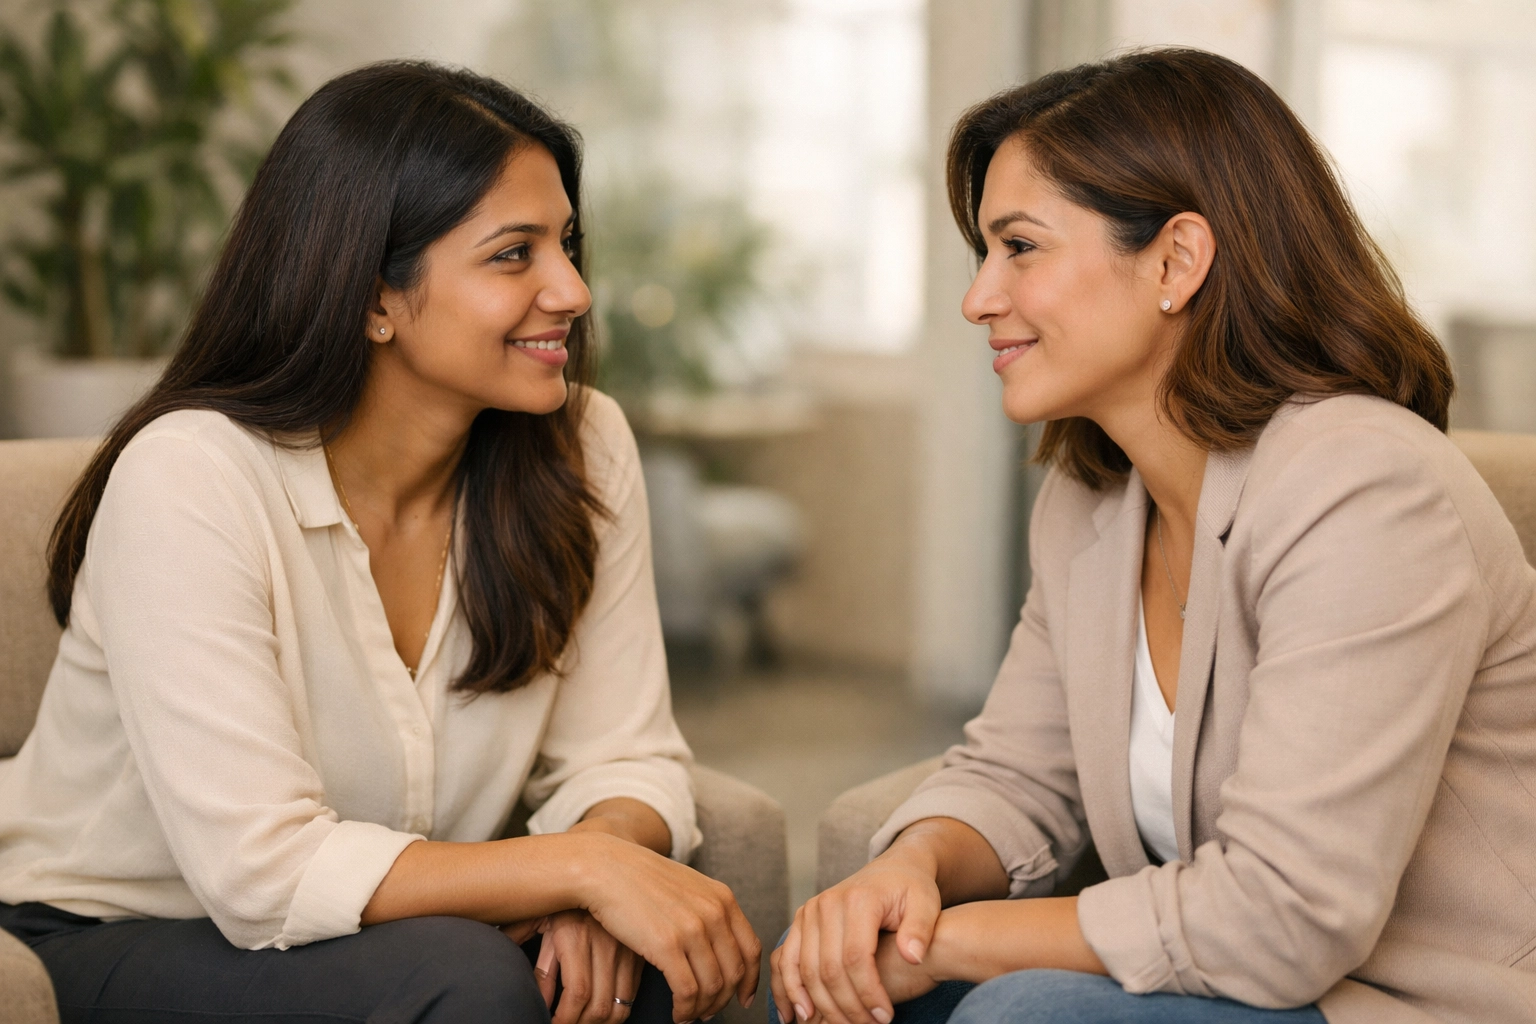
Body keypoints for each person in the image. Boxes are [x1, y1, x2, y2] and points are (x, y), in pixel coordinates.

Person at [771, 47, 1536, 1024]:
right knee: (817, 984)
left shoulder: (1364, 484)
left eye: (1020, 247)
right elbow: (1016, 773)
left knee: (1019, 1013)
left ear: (1176, 260)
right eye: (984, 254)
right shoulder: (1093, 499)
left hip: (1408, 1002)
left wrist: (949, 940)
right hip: (1234, 986)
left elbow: (1284, 915)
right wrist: (912, 868)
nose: (979, 299)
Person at [0, 61, 760, 1024]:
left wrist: (600, 887)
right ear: (374, 299)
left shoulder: (580, 442)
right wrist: (582, 865)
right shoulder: (190, 475)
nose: (572, 288)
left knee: (648, 975)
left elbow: (627, 755)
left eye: (565, 242)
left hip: (405, 930)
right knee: (469, 978)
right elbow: (263, 874)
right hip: (115, 933)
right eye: (513, 254)